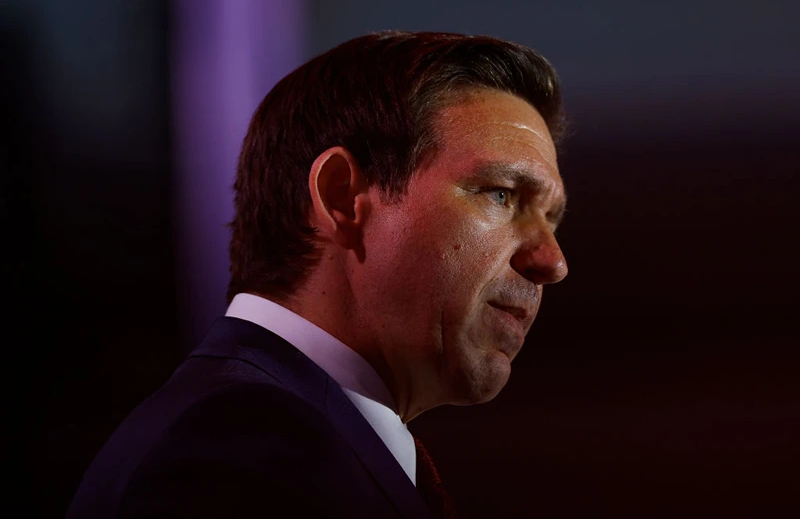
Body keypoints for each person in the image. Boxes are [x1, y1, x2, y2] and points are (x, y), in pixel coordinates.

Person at [67, 30, 569, 519]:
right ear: (341, 197)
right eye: (501, 194)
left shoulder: (290, 435)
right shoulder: (239, 446)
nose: (552, 261)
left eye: (552, 219)